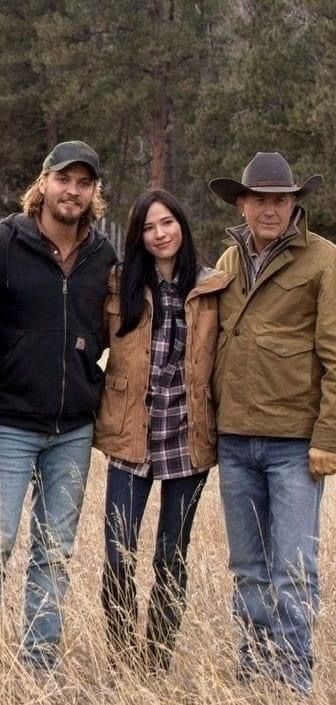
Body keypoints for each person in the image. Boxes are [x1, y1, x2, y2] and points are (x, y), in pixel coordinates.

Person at [0, 141, 117, 670]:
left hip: (73, 428)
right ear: (43, 182)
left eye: (84, 182)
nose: (72, 190)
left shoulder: (102, 256)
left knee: (54, 554)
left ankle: (38, 663)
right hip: (8, 423)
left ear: (94, 193)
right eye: (63, 179)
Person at [209, 152, 336, 694]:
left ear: (294, 204)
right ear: (242, 203)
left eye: (280, 199)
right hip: (235, 440)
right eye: (259, 198)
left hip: (294, 445)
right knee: (249, 569)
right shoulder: (229, 260)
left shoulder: (325, 260)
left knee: (293, 569)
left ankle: (292, 679)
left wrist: (327, 439)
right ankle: (254, 671)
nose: (269, 208)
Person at [94, 190, 230, 673]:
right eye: (149, 227)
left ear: (182, 227)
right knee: (117, 553)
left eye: (167, 223)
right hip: (132, 435)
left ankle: (157, 661)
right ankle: (123, 658)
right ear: (139, 237)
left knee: (172, 557)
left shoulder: (214, 286)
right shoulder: (118, 285)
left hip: (188, 439)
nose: (160, 234)